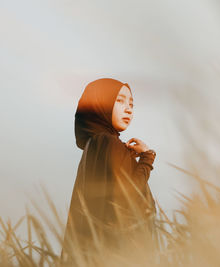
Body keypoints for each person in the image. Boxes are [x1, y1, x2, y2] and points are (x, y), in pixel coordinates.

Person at [59, 78, 157, 266]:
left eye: (131, 104)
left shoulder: (96, 145)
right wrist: (147, 158)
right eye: (120, 101)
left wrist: (126, 159)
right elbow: (128, 194)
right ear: (100, 104)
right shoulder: (107, 142)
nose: (128, 109)